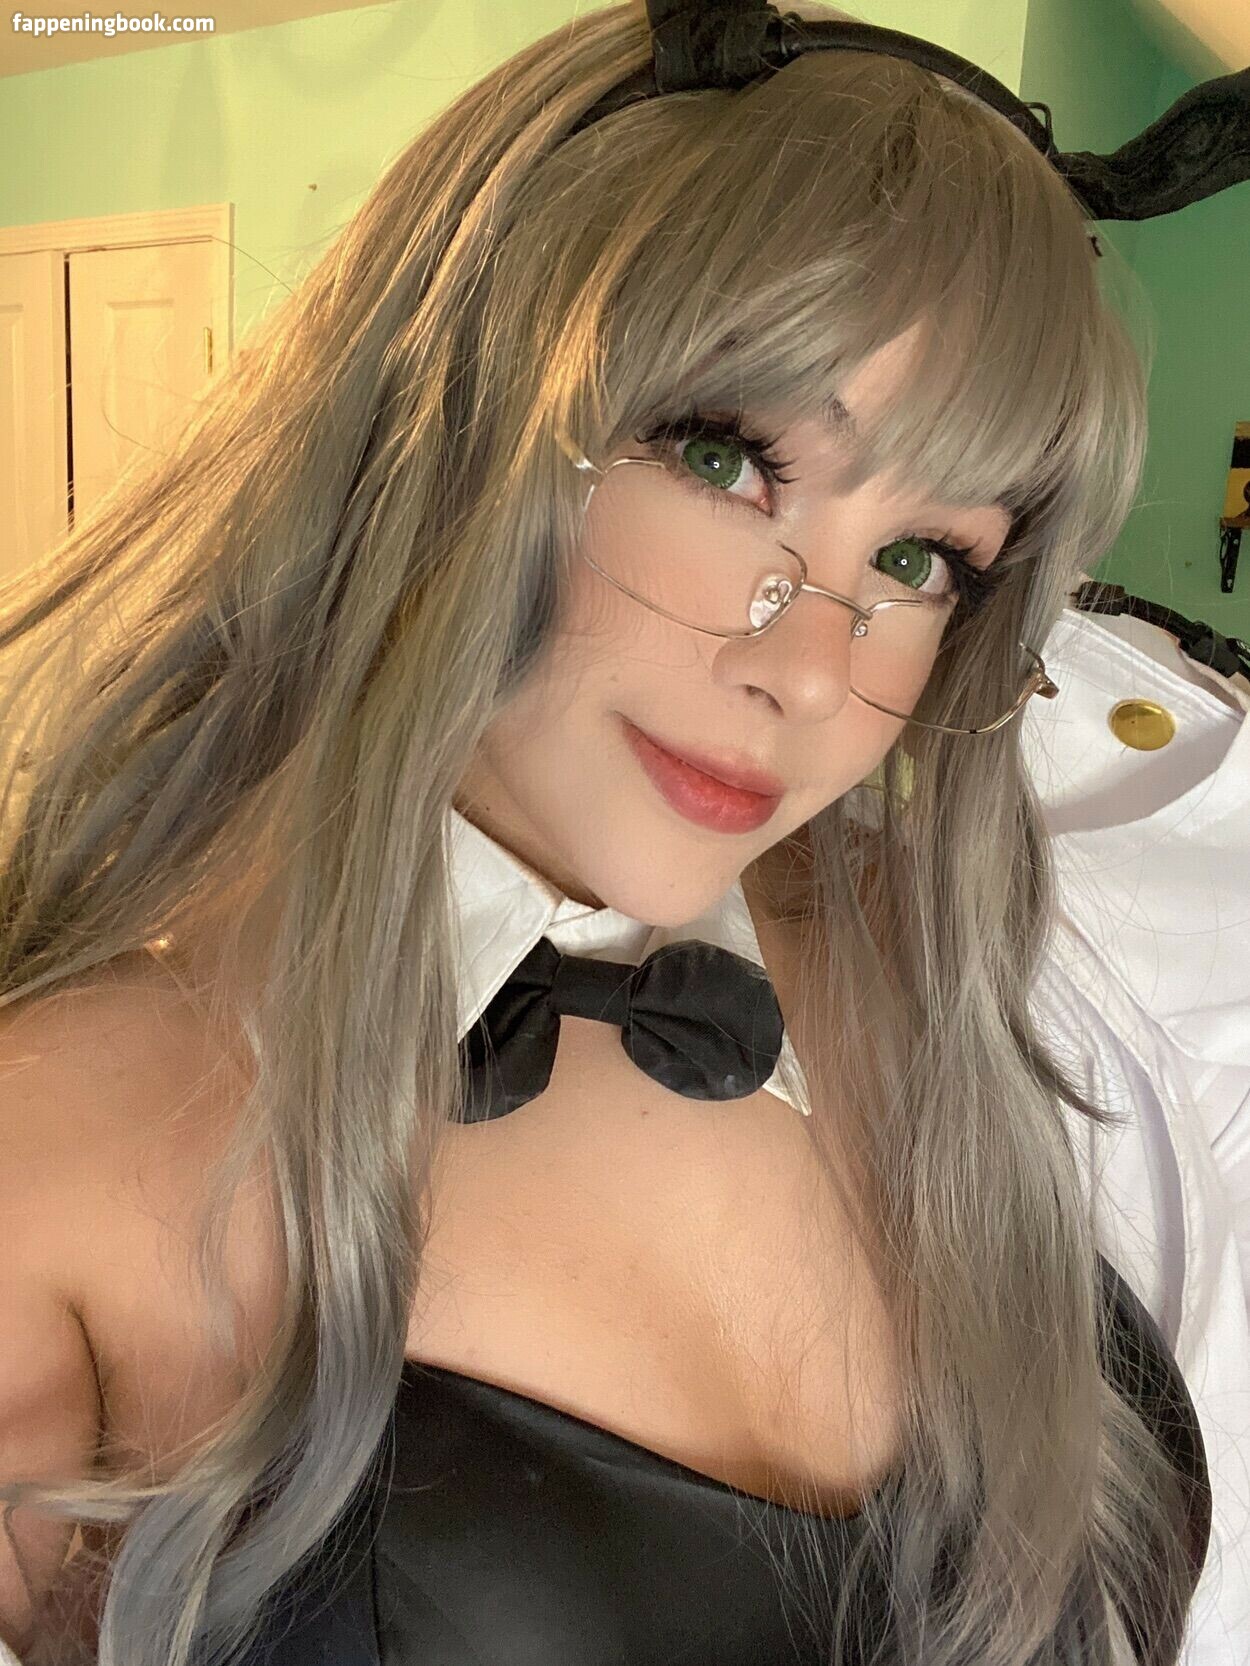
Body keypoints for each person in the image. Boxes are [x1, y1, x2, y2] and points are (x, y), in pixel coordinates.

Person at [0, 2, 1238, 1661]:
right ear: (444, 411)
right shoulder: (58, 1153)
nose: (812, 669)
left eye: (920, 559)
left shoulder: (931, 954)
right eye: (726, 460)